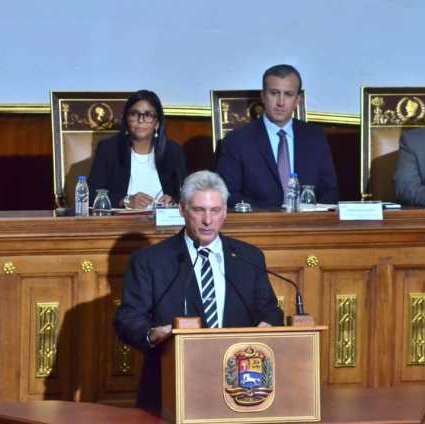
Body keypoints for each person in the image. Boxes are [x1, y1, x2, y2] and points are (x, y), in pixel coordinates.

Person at [114, 170, 284, 415]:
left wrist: (268, 325)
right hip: (171, 385)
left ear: (225, 211)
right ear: (182, 210)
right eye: (198, 210)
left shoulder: (248, 257)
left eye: (215, 211)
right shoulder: (151, 260)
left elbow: (271, 311)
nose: (207, 220)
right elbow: (127, 318)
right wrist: (152, 334)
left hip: (240, 386)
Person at [217, 64, 339, 208]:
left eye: (288, 94)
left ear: (297, 100)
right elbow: (228, 194)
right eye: (274, 93)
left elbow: (330, 191)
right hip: (258, 225)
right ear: (263, 96)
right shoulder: (237, 141)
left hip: (308, 225)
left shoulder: (315, 138)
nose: (280, 102)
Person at [88, 90, 187, 209]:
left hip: (163, 224)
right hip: (121, 224)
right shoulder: (108, 150)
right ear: (126, 119)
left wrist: (173, 200)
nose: (141, 120)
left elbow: (187, 193)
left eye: (148, 115)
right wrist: (125, 201)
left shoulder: (173, 151)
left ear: (157, 123)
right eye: (135, 114)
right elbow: (92, 195)